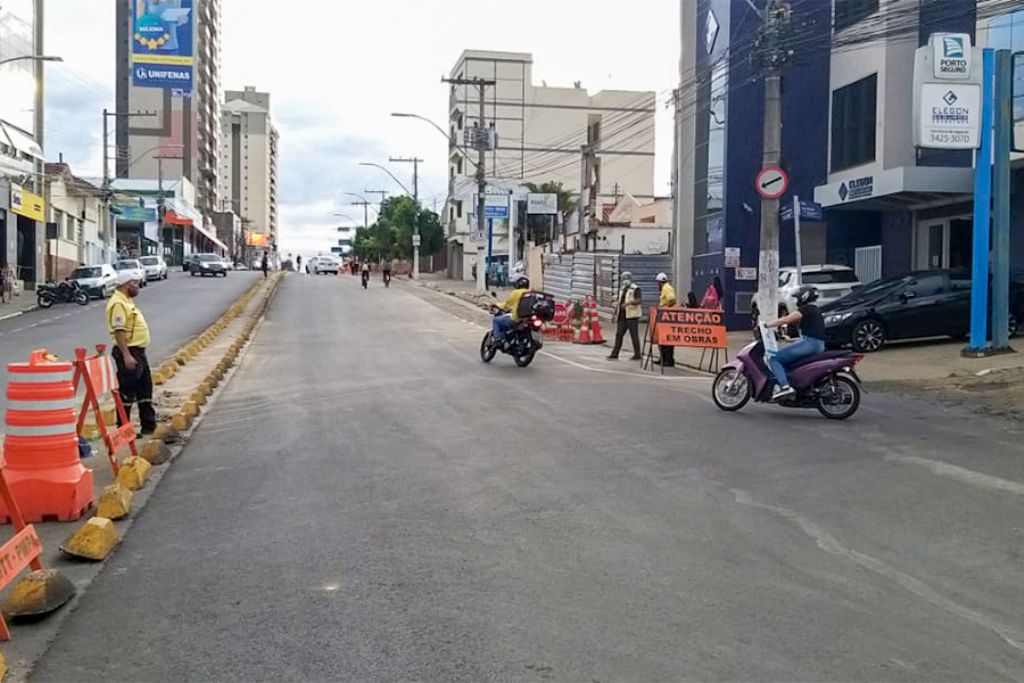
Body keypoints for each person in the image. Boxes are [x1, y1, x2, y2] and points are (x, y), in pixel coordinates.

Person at [106, 271, 156, 435]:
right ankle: (124, 429)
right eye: (135, 283)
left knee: (144, 388)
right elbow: (119, 330)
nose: (137, 287)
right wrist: (126, 355)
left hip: (139, 352)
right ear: (126, 284)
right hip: (129, 352)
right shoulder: (118, 304)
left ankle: (149, 425)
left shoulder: (126, 301)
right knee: (127, 392)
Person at [764, 285, 826, 400]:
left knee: (775, 359)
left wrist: (767, 325)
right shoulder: (816, 310)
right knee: (789, 361)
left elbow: (786, 319)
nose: (796, 300)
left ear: (804, 297)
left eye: (797, 297)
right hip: (818, 345)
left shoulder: (806, 309)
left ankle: (785, 387)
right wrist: (791, 340)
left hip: (810, 345)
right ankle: (793, 384)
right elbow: (812, 334)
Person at [607, 271, 643, 361]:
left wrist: (629, 303)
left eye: (626, 278)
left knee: (634, 335)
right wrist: (615, 314)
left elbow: (639, 300)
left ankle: (637, 354)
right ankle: (615, 354)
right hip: (622, 316)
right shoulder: (622, 289)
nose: (625, 281)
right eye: (623, 279)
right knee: (619, 335)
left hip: (632, 316)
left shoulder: (635, 288)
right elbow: (619, 302)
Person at [491, 275, 530, 346]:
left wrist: (498, 305)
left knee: (496, 320)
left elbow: (507, 304)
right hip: (527, 319)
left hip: (516, 319)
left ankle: (498, 339)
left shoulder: (516, 292)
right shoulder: (530, 293)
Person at [653, 272, 677, 367]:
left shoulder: (667, 288)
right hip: (664, 317)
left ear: (660, 282)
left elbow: (672, 300)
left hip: (667, 317)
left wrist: (665, 308)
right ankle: (663, 358)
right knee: (662, 339)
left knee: (667, 340)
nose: (657, 285)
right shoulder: (664, 288)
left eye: (658, 283)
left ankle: (668, 360)